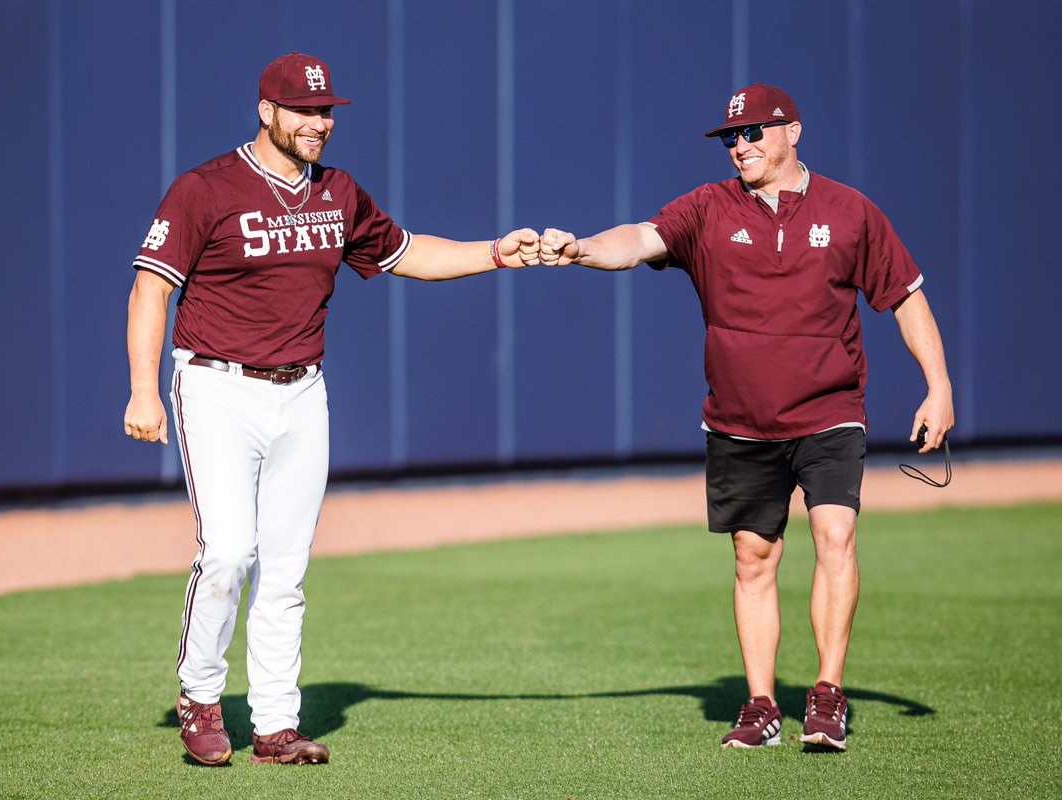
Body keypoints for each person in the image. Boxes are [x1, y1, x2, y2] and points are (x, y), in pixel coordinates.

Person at [123, 51, 540, 767]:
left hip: (302, 390)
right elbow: (150, 288)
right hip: (216, 385)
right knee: (227, 552)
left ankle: (276, 725)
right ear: (267, 111)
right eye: (304, 111)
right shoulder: (204, 189)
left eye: (325, 112)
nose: (318, 123)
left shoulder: (337, 192)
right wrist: (140, 387)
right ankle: (199, 696)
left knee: (285, 567)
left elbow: (408, 253)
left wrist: (497, 252)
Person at [539, 83, 953, 751]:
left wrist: (939, 386)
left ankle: (827, 693)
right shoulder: (707, 209)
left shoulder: (850, 212)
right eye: (732, 137)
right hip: (739, 419)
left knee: (835, 539)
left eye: (755, 132)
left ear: (793, 131)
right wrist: (580, 246)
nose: (742, 145)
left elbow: (906, 298)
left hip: (829, 411)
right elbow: (638, 238)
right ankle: (761, 705)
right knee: (753, 557)